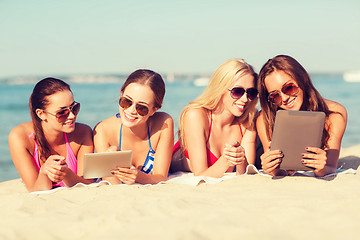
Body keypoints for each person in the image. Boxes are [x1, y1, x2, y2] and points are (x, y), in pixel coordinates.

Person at [256, 55, 347, 177]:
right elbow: (280, 171)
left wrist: (321, 168)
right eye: (275, 96)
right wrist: (273, 169)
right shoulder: (264, 119)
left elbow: (331, 167)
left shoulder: (334, 114)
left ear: (302, 79)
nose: (284, 98)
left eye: (288, 88)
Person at [172, 59, 259, 178]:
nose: (245, 99)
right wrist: (226, 160)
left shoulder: (247, 122)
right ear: (221, 88)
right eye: (237, 91)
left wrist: (240, 160)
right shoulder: (196, 116)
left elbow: (244, 175)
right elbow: (201, 175)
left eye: (251, 92)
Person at [8, 77, 94, 192]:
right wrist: (44, 173)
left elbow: (88, 184)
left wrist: (66, 174)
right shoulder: (20, 137)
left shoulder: (83, 133)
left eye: (74, 108)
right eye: (62, 112)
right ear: (41, 114)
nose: (72, 116)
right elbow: (34, 190)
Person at [93, 69, 174, 184]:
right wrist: (112, 164)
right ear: (121, 95)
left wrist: (138, 176)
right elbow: (113, 185)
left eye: (141, 108)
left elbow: (161, 177)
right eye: (126, 101)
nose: (131, 111)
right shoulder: (102, 130)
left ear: (154, 110)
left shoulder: (163, 124)